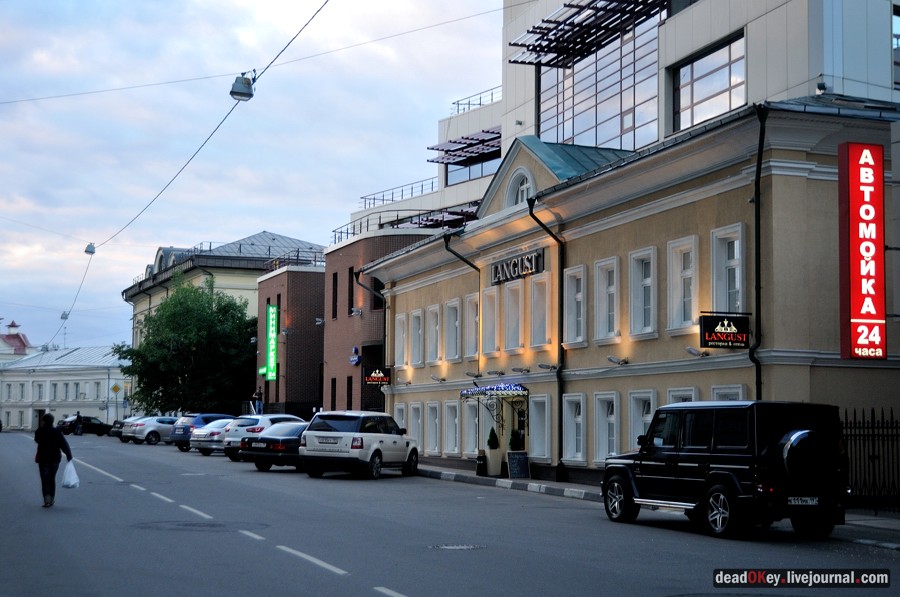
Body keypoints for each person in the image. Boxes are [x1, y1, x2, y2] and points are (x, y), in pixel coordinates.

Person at [34, 413, 73, 508]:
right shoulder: (56, 432)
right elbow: (64, 444)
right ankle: (51, 499)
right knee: (52, 478)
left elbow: (37, 440)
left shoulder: (40, 431)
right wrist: (69, 455)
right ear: (52, 421)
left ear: (44, 421)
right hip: (55, 458)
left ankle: (47, 499)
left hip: (43, 458)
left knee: (44, 479)